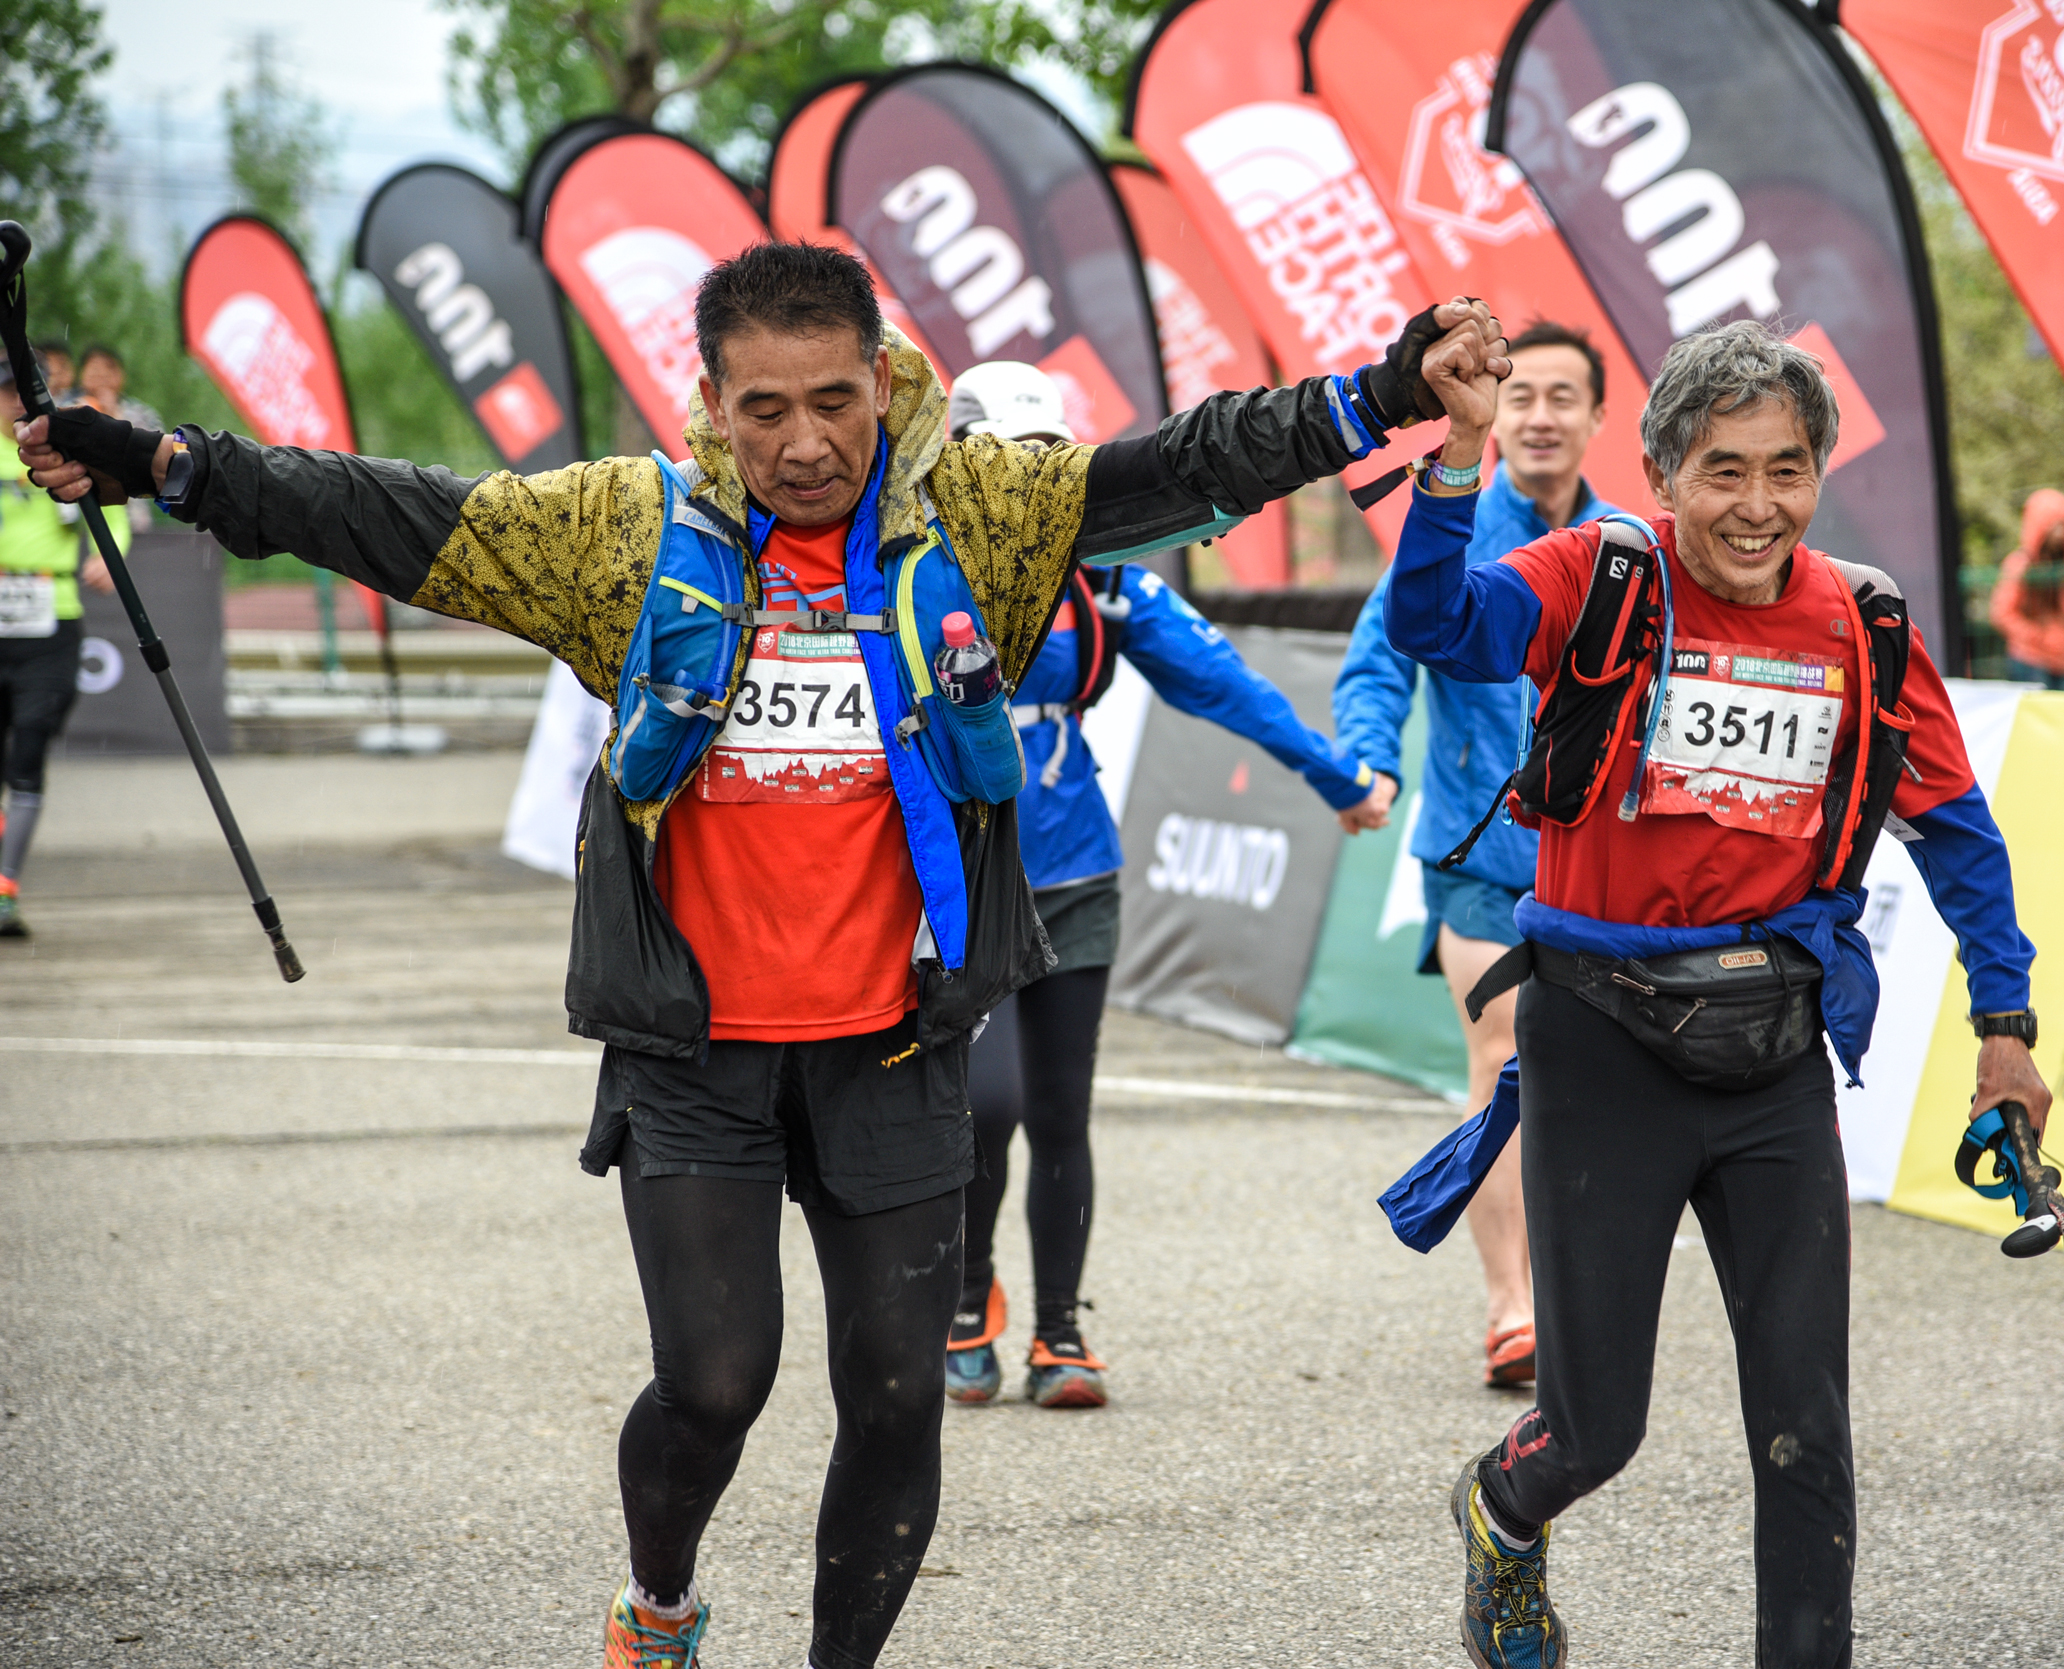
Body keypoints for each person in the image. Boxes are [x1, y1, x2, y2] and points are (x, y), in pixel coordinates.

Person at [20, 242, 1496, 1669]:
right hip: (696, 1052)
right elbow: (384, 512)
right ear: (712, 405)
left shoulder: (976, 511)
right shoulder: (623, 533)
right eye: (765, 409)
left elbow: (1185, 465)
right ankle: (659, 1604)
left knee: (901, 1394)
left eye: (835, 400)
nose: (805, 443)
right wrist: (167, 464)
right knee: (716, 1383)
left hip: (899, 1041)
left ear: (885, 381)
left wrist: (1381, 392)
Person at [1384, 316, 2050, 1669]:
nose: (1759, 506)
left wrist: (2006, 1028)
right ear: (1665, 469)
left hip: (1772, 1049)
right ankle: (1505, 1506)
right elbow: (1437, 627)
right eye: (1725, 471)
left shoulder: (1861, 619)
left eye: (1787, 470)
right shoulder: (1597, 575)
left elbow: (1961, 832)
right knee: (1597, 1424)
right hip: (1598, 1040)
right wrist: (1455, 456)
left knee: (1807, 1421)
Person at [938, 360, 1391, 1409]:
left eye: (1048, 458)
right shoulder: (911, 573)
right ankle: (966, 1299)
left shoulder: (1100, 579)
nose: (1029, 482)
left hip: (1077, 872)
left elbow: (1220, 682)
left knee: (1059, 1111)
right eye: (1004, 458)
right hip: (952, 882)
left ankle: (1059, 1334)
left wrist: (1336, 777)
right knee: (985, 1102)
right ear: (956, 460)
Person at [1332, 320, 1620, 1389]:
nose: (1540, 414)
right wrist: (1368, 764)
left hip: (1601, 865)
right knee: (1503, 1057)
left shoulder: (1628, 545)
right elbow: (1377, 662)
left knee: (1593, 1085)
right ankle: (1513, 1306)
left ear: (1596, 418)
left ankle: (1581, 1291)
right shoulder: (1447, 524)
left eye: (1563, 396)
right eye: (1523, 393)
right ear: (1493, 411)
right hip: (1477, 850)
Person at [0, 362, 123, 938]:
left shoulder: (53, 454)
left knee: (28, 748)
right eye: (1, 398)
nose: (10, 408)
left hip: (51, 623)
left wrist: (112, 551)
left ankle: (5, 888)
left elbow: (108, 506)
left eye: (15, 396)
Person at [1988, 487, 2064, 690]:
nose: (2060, 534)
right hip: (2031, 659)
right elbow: (2002, 613)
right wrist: (2037, 638)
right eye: (2054, 526)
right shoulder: (2021, 565)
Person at [73, 344, 165, 433]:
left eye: (109, 368)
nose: (102, 374)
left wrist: (115, 416)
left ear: (122, 375)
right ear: (81, 374)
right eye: (95, 368)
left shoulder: (143, 413)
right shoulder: (68, 407)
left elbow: (158, 443)